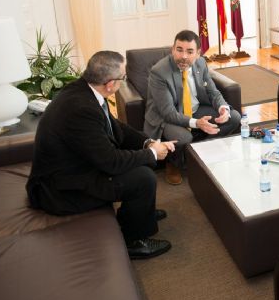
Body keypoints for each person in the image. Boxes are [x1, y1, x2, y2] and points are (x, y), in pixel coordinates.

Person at [27, 51, 176, 260]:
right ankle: (133, 242)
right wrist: (152, 153)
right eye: (123, 78)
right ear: (110, 84)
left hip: (75, 167)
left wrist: (147, 143)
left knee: (142, 162)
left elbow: (116, 127)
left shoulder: (85, 90)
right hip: (61, 191)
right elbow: (111, 162)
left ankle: (140, 215)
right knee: (143, 178)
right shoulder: (81, 109)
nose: (124, 81)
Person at [144, 30, 241, 185]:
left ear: (198, 53)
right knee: (184, 137)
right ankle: (173, 163)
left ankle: (201, 155)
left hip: (195, 109)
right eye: (179, 50)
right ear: (172, 50)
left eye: (190, 52)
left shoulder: (201, 63)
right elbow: (168, 112)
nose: (184, 56)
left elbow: (212, 92)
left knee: (234, 117)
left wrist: (223, 108)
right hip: (167, 117)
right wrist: (197, 123)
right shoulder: (159, 72)